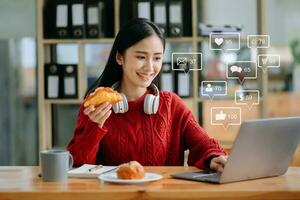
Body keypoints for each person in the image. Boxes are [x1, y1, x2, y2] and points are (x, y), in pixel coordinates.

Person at [67, 18, 227, 172]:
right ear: (119, 57)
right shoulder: (96, 107)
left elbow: (203, 143)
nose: (150, 67)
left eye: (157, 58)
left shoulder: (172, 105)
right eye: (141, 57)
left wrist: (213, 158)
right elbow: (77, 165)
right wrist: (93, 128)